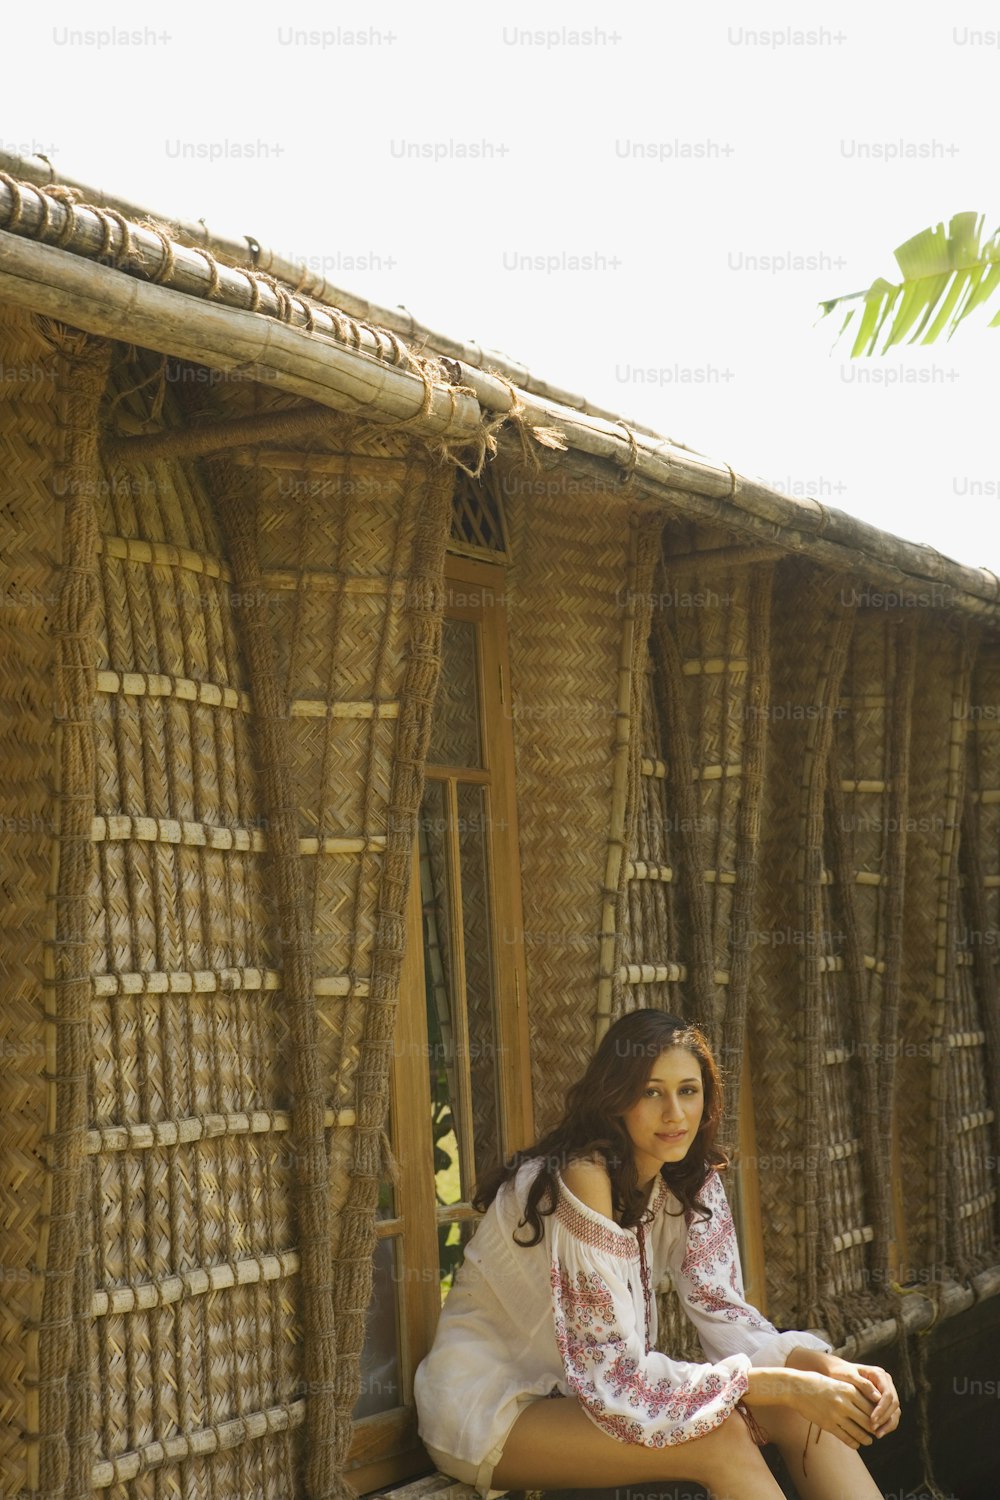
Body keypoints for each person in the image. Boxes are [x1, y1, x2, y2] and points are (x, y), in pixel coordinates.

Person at [413, 1008, 900, 1500]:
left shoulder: (688, 1176)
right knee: (725, 1437)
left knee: (797, 1407)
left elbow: (726, 1317)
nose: (675, 1113)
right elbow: (616, 1375)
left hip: (573, 1400)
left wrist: (829, 1370)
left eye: (688, 1091)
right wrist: (792, 1385)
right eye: (651, 1092)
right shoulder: (583, 1176)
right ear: (615, 1099)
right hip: (488, 1412)